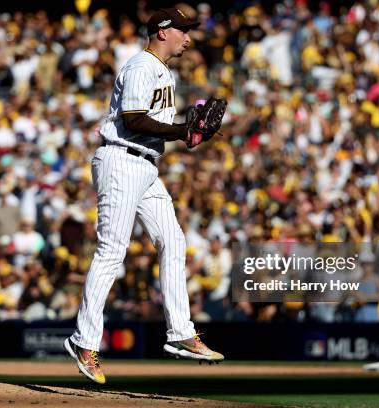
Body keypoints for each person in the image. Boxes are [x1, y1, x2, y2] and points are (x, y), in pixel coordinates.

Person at [64, 7, 224, 385]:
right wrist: (183, 128)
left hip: (144, 165)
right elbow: (134, 119)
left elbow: (153, 126)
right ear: (163, 31)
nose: (188, 37)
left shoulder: (162, 71)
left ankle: (181, 333)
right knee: (112, 250)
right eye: (184, 31)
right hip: (121, 160)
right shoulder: (141, 66)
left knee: (173, 240)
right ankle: (84, 341)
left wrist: (186, 131)